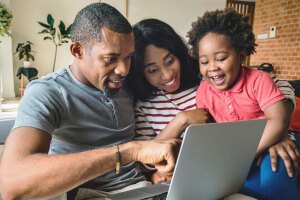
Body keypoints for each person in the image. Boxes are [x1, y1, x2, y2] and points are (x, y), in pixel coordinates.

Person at [0, 3, 182, 200]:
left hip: (144, 189)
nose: (123, 69)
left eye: (128, 57)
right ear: (77, 50)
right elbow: (12, 183)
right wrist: (130, 151)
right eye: (110, 58)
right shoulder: (48, 92)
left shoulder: (126, 82)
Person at [126, 18, 300, 190]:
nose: (167, 75)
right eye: (152, 70)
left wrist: (277, 132)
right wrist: (182, 120)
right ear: (141, 72)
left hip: (242, 154)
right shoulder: (144, 104)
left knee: (275, 175)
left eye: (170, 61)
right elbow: (146, 162)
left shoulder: (207, 79)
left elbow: (280, 88)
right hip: (205, 172)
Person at [187, 8, 300, 200]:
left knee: (277, 173)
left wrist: (246, 154)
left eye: (221, 58)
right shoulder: (203, 91)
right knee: (234, 185)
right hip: (238, 151)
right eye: (204, 61)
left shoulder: (258, 79)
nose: (212, 67)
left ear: (241, 54)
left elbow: (279, 120)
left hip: (276, 139)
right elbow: (211, 132)